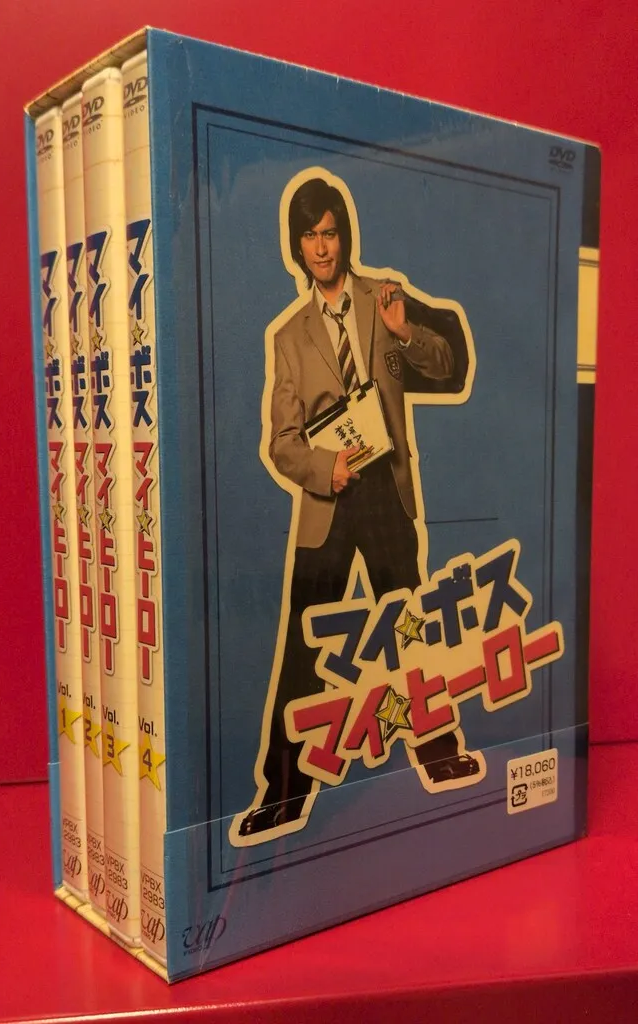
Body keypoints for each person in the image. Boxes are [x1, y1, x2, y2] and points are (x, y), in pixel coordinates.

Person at [236, 174, 481, 842]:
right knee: (305, 643)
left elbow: (446, 364)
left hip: (386, 491)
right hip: (329, 498)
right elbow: (280, 443)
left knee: (409, 626)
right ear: (296, 247)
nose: (321, 247)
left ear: (344, 236)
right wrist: (325, 468)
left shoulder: (384, 298)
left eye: (330, 232)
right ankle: (283, 791)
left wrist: (405, 331)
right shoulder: (289, 337)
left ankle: (438, 751)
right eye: (309, 236)